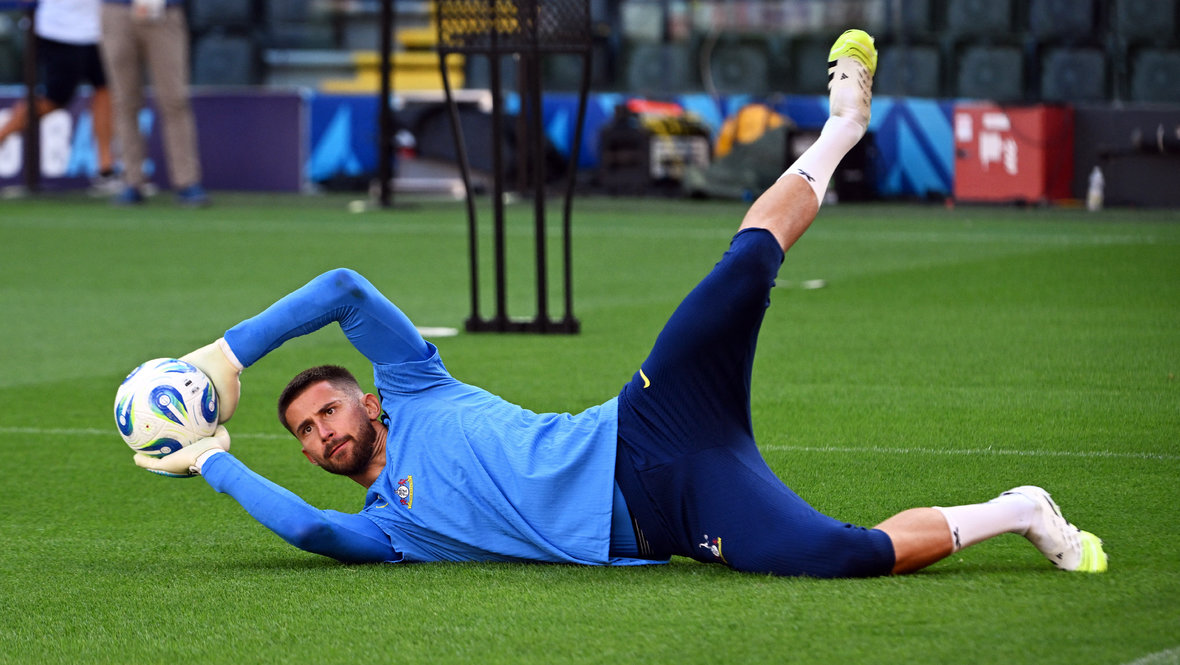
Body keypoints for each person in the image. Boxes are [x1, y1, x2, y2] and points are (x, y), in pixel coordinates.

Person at [132, 30, 1108, 576]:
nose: (320, 435)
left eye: (326, 410)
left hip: (644, 424)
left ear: (369, 399)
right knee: (843, 556)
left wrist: (226, 358)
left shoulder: (417, 385)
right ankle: (1021, 509)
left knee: (738, 272)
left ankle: (842, 126)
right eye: (305, 433)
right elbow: (311, 531)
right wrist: (210, 459)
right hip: (674, 515)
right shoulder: (393, 530)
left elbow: (344, 289)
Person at [99, 0, 209, 207]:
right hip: (117, 10)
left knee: (175, 100)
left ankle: (187, 181)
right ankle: (132, 181)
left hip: (164, 11)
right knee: (124, 102)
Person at [0, 0, 117, 192]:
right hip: (62, 30)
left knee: (105, 90)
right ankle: (2, 135)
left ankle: (106, 168)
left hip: (100, 28)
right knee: (54, 99)